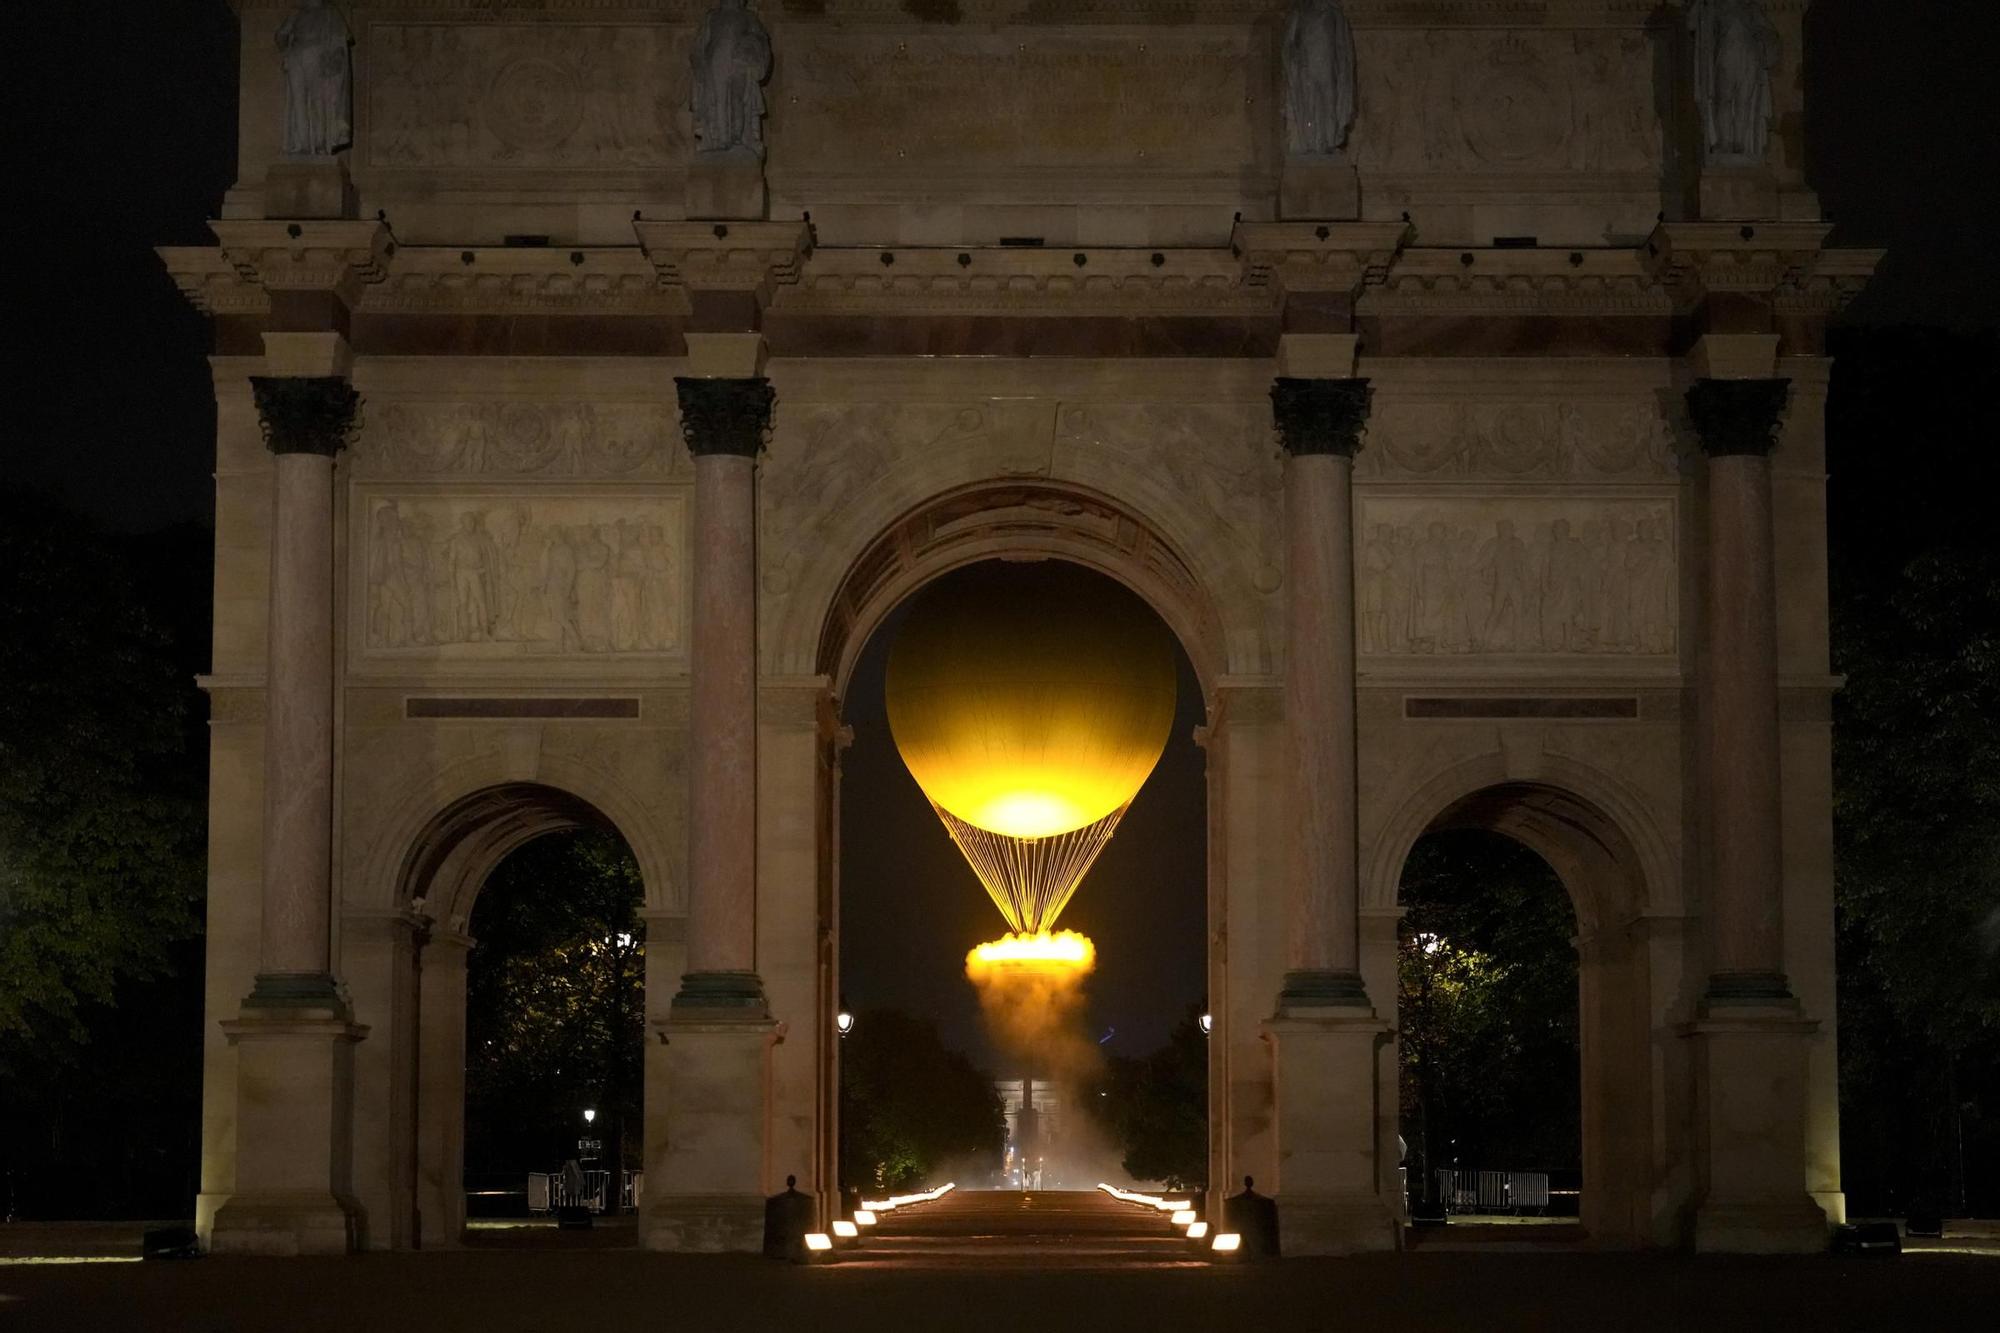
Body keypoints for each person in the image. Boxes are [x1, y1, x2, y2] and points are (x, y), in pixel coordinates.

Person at [690, 0, 773, 156]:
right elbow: (700, 45)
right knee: (718, 100)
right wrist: (700, 67)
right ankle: (721, 140)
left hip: (739, 63)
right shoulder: (712, 16)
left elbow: (760, 39)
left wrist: (750, 47)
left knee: (738, 100)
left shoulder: (748, 16)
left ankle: (737, 138)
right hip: (716, 61)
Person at [276, 0, 352, 156]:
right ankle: (303, 144)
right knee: (298, 101)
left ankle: (320, 143)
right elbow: (280, 37)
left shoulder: (330, 11)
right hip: (295, 53)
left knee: (319, 100)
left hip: (317, 53)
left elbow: (341, 38)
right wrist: (284, 38)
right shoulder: (296, 13)